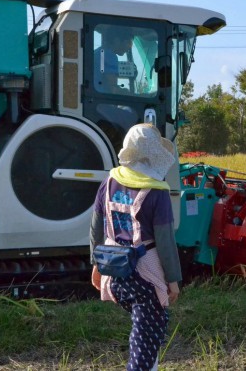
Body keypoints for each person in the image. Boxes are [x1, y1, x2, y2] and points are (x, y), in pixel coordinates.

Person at [90, 123, 181, 371]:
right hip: (145, 272)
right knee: (146, 335)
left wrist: (96, 265)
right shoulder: (157, 191)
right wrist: (173, 280)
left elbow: (96, 227)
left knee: (149, 327)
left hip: (115, 271)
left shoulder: (109, 181)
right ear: (154, 154)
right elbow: (165, 241)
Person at [94, 27, 134, 94]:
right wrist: (127, 92)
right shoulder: (109, 56)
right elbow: (112, 89)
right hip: (103, 101)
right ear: (117, 40)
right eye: (128, 42)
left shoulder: (99, 52)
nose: (129, 47)